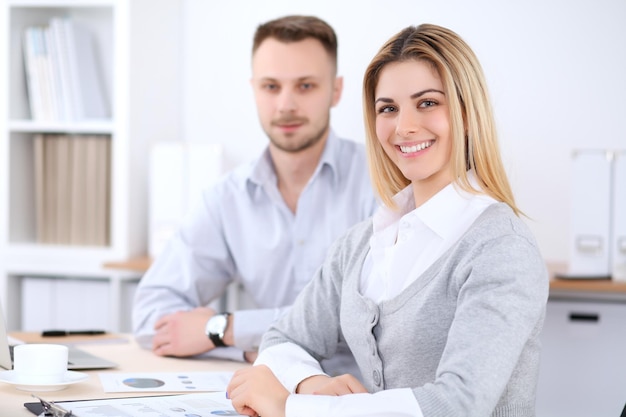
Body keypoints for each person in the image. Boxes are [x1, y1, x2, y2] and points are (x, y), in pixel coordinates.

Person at [226, 23, 549, 417]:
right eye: (388, 109)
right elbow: (282, 339)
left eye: (428, 102)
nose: (404, 126)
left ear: (467, 111)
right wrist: (314, 385)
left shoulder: (501, 247)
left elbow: (458, 405)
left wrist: (291, 406)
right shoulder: (363, 243)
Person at [132, 15, 377, 369]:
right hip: (263, 392)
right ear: (254, 89)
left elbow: (375, 320)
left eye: (305, 86)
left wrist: (225, 328)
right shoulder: (228, 198)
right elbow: (151, 314)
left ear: (336, 90)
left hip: (359, 399)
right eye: (271, 86)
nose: (285, 105)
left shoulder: (381, 183)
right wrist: (245, 349)